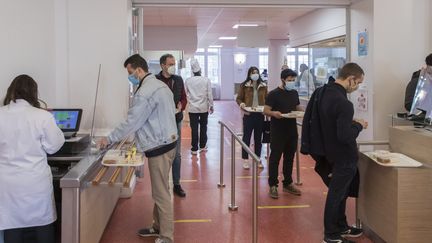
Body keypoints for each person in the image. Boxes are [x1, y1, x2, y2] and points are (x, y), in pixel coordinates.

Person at [98, 54, 178, 243]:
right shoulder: (161, 85)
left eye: (130, 72)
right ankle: (157, 227)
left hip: (160, 146)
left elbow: (132, 122)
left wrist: (108, 139)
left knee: (161, 193)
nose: (130, 76)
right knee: (161, 189)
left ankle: (166, 237)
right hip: (168, 142)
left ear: (139, 70)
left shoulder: (145, 92)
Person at [0, 75, 65, 243]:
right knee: (42, 225)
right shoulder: (42, 116)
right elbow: (54, 146)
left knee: (12, 225)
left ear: (11, 90)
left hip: (8, 186)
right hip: (35, 184)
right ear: (34, 93)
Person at [311, 63, 368, 243]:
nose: (357, 86)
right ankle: (331, 235)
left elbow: (331, 121)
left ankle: (341, 226)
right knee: (337, 194)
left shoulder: (324, 93)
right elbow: (345, 136)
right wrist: (358, 125)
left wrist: (348, 121)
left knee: (341, 193)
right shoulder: (344, 103)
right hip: (344, 156)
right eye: (358, 82)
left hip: (330, 153)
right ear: (350, 79)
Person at [264, 69, 303, 199]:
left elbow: (297, 107)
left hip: (291, 130)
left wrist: (302, 112)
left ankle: (288, 183)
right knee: (275, 158)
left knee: (289, 158)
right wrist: (274, 114)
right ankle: (273, 185)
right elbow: (266, 110)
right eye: (289, 80)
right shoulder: (273, 94)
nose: (291, 82)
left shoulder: (294, 93)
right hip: (278, 131)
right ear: (283, 80)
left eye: (293, 80)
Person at [156, 54, 187, 197]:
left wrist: (181, 106)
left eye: (174, 63)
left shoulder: (178, 79)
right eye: (170, 64)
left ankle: (176, 183)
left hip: (176, 119)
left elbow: (183, 98)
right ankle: (162, 185)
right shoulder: (156, 81)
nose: (173, 66)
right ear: (163, 65)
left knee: (177, 154)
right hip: (161, 123)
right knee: (162, 154)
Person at [236, 66, 268, 169]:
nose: (255, 74)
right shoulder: (244, 86)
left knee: (258, 138)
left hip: (259, 115)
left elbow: (267, 100)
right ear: (249, 74)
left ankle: (257, 158)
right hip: (248, 115)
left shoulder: (263, 86)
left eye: (257, 72)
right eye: (253, 72)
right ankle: (245, 159)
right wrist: (242, 104)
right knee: (246, 138)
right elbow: (239, 98)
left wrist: (266, 109)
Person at [185, 58, 214, 155]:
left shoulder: (188, 81)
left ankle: (194, 148)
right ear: (200, 70)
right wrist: (211, 105)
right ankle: (202, 146)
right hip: (203, 108)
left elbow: (186, 94)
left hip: (192, 108)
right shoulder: (206, 80)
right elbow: (209, 94)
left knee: (194, 128)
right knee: (203, 127)